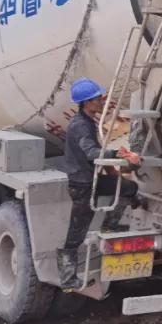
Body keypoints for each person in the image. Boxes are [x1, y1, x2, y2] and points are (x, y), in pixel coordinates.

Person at [58, 78, 141, 287]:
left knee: (129, 187)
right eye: (97, 99)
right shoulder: (81, 126)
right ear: (87, 103)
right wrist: (117, 154)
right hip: (81, 185)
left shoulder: (87, 121)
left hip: (90, 179)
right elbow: (91, 153)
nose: (101, 101)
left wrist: (115, 168)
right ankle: (68, 279)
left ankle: (110, 226)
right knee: (76, 233)